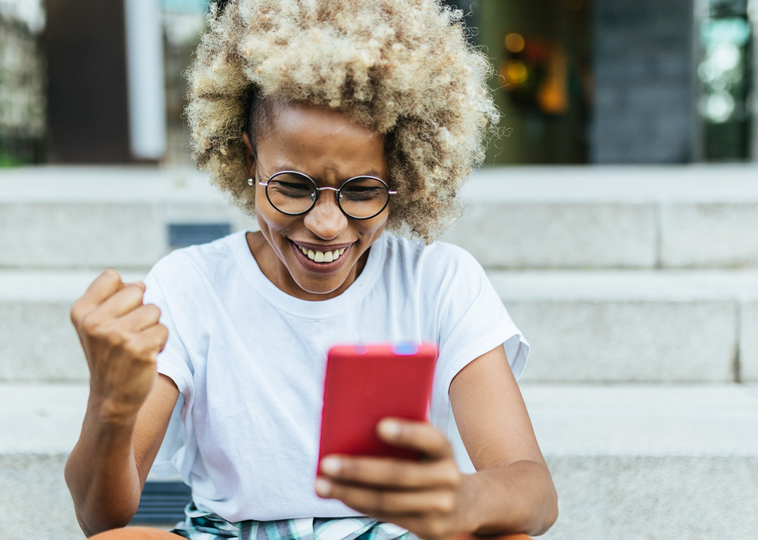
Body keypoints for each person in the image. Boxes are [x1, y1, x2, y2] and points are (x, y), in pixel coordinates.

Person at [64, 1, 558, 539]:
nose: (326, 223)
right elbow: (100, 517)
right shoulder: (190, 285)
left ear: (404, 172)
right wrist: (110, 406)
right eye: (294, 187)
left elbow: (534, 492)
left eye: (363, 191)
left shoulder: (439, 282)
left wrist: (462, 498)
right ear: (250, 159)